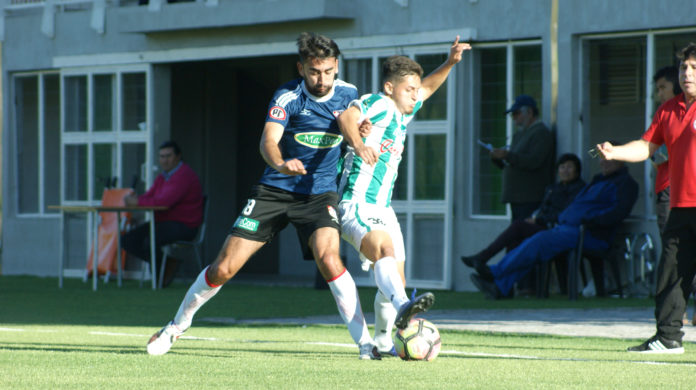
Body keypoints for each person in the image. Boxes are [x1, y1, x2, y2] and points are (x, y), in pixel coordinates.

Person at [146, 32, 415, 360]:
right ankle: (176, 325)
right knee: (223, 268)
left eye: (329, 71)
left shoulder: (347, 93)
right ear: (301, 68)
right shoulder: (287, 97)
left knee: (329, 259)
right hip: (276, 190)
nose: (322, 79)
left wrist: (358, 139)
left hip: (319, 196)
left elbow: (348, 117)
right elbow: (267, 141)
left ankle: (364, 345)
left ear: (336, 67)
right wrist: (281, 163)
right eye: (315, 71)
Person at [336, 37, 471, 355]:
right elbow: (346, 118)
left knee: (395, 274)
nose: (416, 94)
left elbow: (427, 88)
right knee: (384, 251)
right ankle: (405, 306)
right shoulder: (380, 105)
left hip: (382, 207)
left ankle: (384, 340)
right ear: (389, 87)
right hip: (357, 201)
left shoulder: (402, 114)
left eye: (415, 89)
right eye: (409, 89)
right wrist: (359, 143)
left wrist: (450, 63)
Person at [596, 43, 696, 354]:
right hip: (680, 206)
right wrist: (616, 152)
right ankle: (668, 338)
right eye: (683, 67)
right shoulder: (668, 109)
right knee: (671, 274)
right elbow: (646, 147)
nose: (687, 73)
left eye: (693, 67)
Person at [470, 157, 638, 300]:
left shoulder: (625, 184)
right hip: (568, 228)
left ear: (621, 161)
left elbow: (617, 213)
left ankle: (496, 272)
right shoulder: (597, 180)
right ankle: (500, 287)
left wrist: (588, 221)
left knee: (540, 241)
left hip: (590, 234)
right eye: (602, 159)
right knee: (537, 247)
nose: (603, 163)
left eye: (609, 159)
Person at [461, 153, 585, 281]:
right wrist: (535, 218)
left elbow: (566, 214)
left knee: (518, 226)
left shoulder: (579, 190)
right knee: (514, 240)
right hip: (543, 226)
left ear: (577, 171)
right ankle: (502, 284)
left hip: (557, 230)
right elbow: (543, 209)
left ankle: (484, 259)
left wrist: (538, 220)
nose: (565, 171)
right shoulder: (552, 188)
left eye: (569, 167)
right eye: (562, 167)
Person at [121, 140, 203, 288]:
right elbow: (149, 196)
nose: (164, 160)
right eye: (161, 156)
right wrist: (138, 200)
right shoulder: (163, 176)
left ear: (178, 156)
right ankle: (168, 265)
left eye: (168, 156)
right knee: (127, 240)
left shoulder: (184, 175)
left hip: (185, 225)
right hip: (164, 223)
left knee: (150, 240)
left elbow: (164, 202)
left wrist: (136, 202)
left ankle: (160, 279)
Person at [491, 94, 555, 221]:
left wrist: (507, 155)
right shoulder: (520, 134)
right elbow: (510, 163)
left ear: (530, 112)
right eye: (513, 115)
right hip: (517, 197)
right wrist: (497, 157)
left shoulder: (540, 133)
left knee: (525, 235)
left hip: (530, 198)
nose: (514, 118)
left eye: (517, 113)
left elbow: (534, 161)